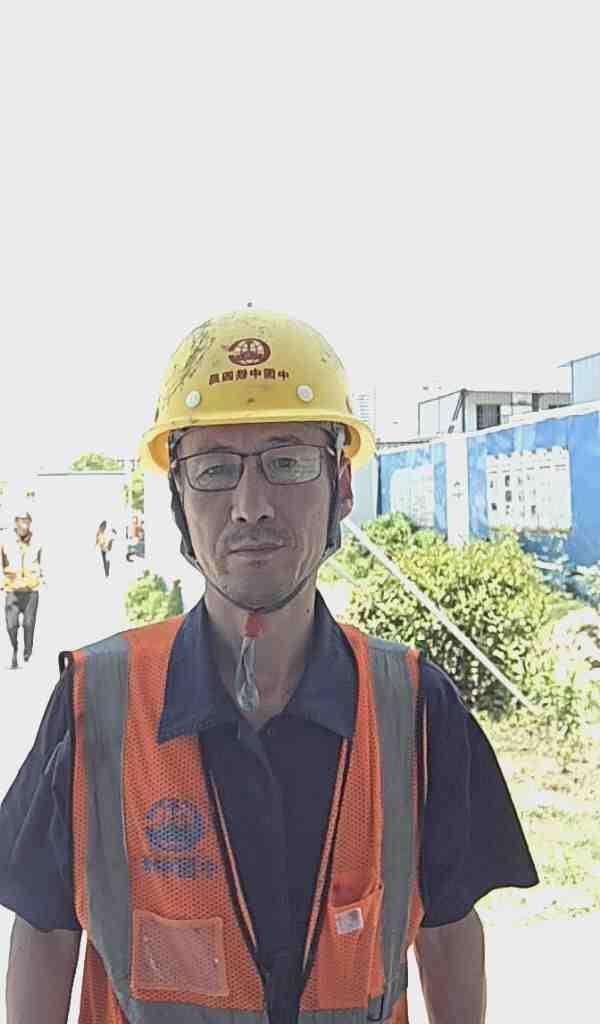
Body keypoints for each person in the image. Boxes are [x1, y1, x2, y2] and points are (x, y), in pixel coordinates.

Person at [0, 308, 538, 1024]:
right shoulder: (96, 704)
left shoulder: (413, 706)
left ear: (341, 486)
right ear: (178, 498)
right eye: (215, 469)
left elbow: (447, 929)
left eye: (287, 463)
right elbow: (45, 931)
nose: (250, 507)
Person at [0, 510, 43, 669]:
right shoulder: (5, 540)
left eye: (27, 521)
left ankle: (27, 650)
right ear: (16, 522)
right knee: (11, 625)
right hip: (12, 590)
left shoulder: (37, 540)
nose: (24, 525)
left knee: (29, 624)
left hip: (31, 591)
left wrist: (42, 579)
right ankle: (15, 648)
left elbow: (44, 562)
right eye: (21, 521)